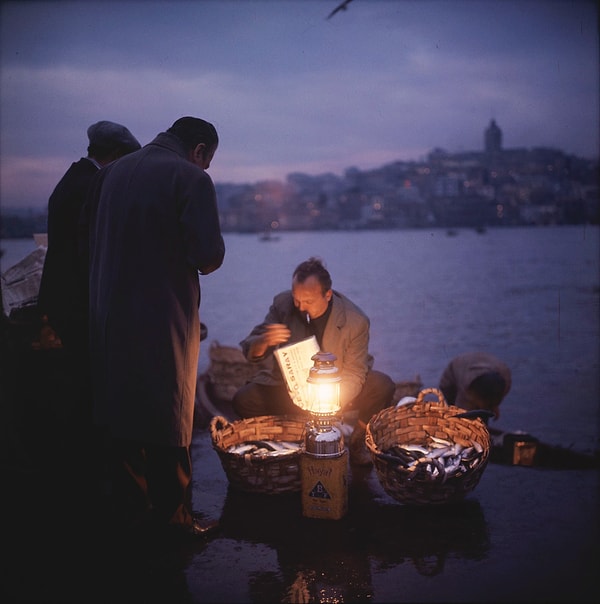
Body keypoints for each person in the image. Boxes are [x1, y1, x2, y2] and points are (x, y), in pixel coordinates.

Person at [86, 116, 225, 540]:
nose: (206, 170)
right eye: (208, 161)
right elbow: (207, 256)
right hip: (160, 316)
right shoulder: (190, 179)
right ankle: (175, 522)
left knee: (121, 411)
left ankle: (131, 515)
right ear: (199, 151)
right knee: (170, 413)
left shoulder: (111, 173)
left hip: (107, 313)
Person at [36, 121, 141, 498]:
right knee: (91, 392)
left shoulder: (73, 179)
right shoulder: (92, 186)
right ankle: (99, 484)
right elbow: (91, 253)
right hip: (79, 305)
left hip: (64, 302)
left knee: (82, 390)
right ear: (115, 156)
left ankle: (88, 481)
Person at [232, 257, 395, 465]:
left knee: (382, 385)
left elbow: (354, 374)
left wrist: (329, 404)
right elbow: (249, 347)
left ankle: (357, 441)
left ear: (327, 295)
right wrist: (264, 342)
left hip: (335, 391)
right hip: (291, 389)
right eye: (296, 299)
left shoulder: (355, 321)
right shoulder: (283, 304)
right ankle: (287, 439)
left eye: (308, 301)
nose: (300, 307)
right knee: (243, 399)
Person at [438, 352, 511, 421]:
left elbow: (496, 397)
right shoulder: (466, 387)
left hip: (481, 365)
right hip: (451, 379)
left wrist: (494, 405)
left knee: (483, 412)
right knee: (459, 414)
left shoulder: (505, 378)